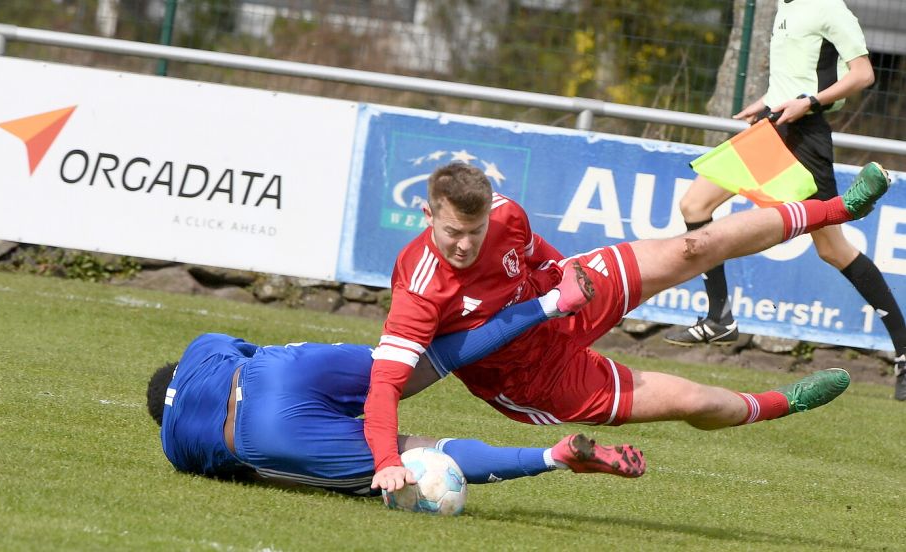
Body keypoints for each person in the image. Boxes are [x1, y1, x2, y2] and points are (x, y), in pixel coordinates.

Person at [365, 159, 889, 492]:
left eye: (474, 231)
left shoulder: (505, 214)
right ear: (428, 214)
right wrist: (387, 460)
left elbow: (534, 250)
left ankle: (838, 209)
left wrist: (565, 272)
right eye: (453, 232)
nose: (464, 244)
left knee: (693, 247)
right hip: (535, 378)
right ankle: (781, 403)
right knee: (690, 400)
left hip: (566, 295)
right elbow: (386, 384)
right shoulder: (419, 289)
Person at [663, 0, 906, 402]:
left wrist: (808, 102)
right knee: (695, 206)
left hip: (805, 137)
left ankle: (904, 350)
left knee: (833, 250)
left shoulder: (831, 9)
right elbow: (795, 74)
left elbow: (863, 75)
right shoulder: (784, 6)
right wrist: (769, 101)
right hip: (772, 126)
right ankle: (719, 318)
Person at [146, 332, 645, 496]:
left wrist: (332, 476)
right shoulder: (199, 347)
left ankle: (551, 457)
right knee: (409, 366)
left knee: (411, 456)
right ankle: (547, 304)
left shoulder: (174, 448)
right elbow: (249, 351)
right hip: (277, 371)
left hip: (265, 431)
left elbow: (254, 474)